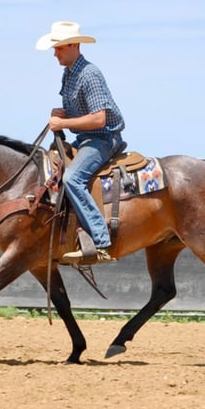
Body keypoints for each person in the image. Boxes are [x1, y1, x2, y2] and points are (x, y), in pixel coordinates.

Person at [36, 21, 126, 264]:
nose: (55, 53)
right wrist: (63, 113)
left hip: (103, 139)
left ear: (75, 45)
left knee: (72, 178)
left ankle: (100, 240)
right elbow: (82, 112)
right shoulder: (69, 74)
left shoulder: (89, 74)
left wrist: (62, 124)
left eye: (59, 48)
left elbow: (99, 118)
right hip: (85, 138)